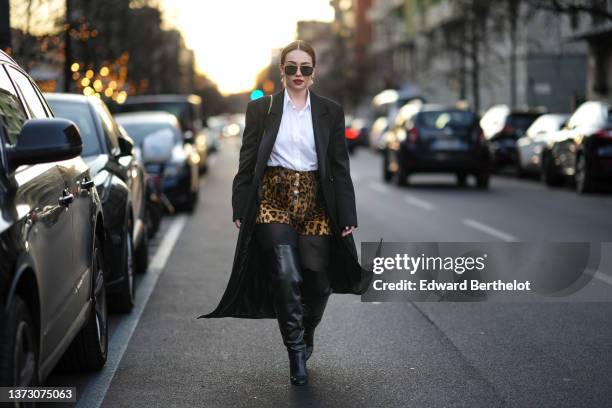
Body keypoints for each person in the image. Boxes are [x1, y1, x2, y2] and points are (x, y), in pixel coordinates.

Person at [198, 40, 371, 387]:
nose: (298, 74)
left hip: (316, 201)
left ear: (313, 72)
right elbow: (247, 162)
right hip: (271, 200)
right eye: (291, 67)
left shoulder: (330, 112)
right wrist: (240, 203)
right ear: (281, 71)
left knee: (317, 279)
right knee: (286, 274)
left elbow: (339, 166)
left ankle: (307, 334)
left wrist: (347, 212)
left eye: (305, 67)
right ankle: (295, 353)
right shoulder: (262, 109)